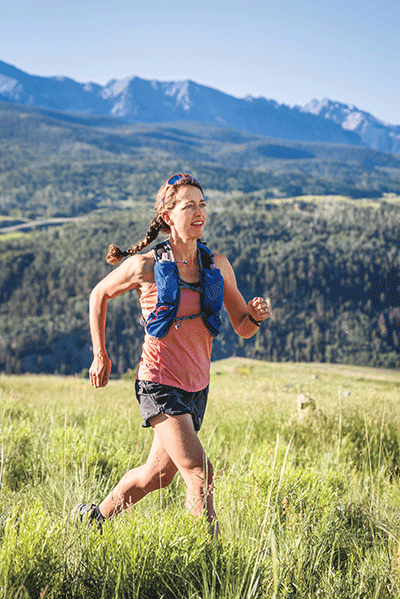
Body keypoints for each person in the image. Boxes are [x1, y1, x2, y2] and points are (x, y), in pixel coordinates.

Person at [76, 174, 270, 536]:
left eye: (202, 204)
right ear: (168, 216)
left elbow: (242, 326)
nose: (199, 213)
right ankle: (208, 566)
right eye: (189, 206)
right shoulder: (145, 267)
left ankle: (92, 520)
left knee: (157, 476)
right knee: (199, 473)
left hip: (197, 387)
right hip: (159, 383)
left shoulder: (218, 266)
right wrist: (99, 354)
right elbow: (98, 295)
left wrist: (255, 317)